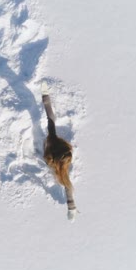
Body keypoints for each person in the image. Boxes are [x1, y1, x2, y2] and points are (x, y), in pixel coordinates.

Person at [41, 82, 77, 222]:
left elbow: (50, 117)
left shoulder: (52, 137)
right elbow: (67, 187)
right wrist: (71, 207)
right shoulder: (59, 168)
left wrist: (45, 96)